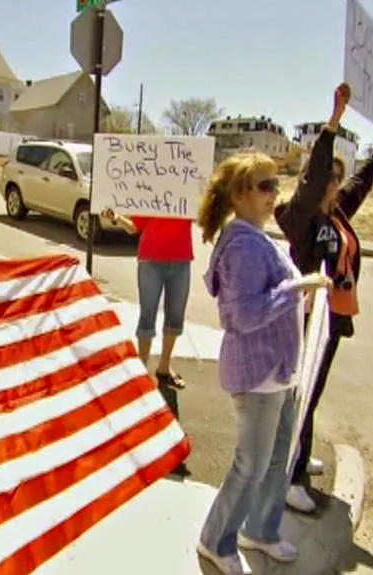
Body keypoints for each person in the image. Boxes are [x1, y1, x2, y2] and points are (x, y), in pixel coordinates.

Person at [194, 151, 330, 575]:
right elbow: (243, 315)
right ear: (238, 195)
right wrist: (298, 288)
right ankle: (215, 539)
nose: (276, 194)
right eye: (265, 186)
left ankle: (262, 531)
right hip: (258, 376)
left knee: (275, 461)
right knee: (251, 464)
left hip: (277, 371)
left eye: (277, 184)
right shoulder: (244, 244)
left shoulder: (255, 235)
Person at [274, 82, 373, 514]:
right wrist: (334, 121)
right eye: (331, 179)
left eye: (338, 180)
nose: (337, 185)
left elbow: (361, 185)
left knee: (313, 390)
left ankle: (299, 457)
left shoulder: (338, 212)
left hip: (333, 318)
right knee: (300, 391)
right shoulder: (299, 217)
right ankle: (287, 478)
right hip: (305, 316)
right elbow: (309, 184)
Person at [100, 208, 193, 410]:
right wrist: (115, 218)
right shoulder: (153, 186)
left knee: (175, 316)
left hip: (181, 259)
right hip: (151, 261)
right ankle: (142, 369)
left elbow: (204, 215)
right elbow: (134, 227)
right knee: (147, 314)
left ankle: (164, 367)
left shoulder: (188, 184)